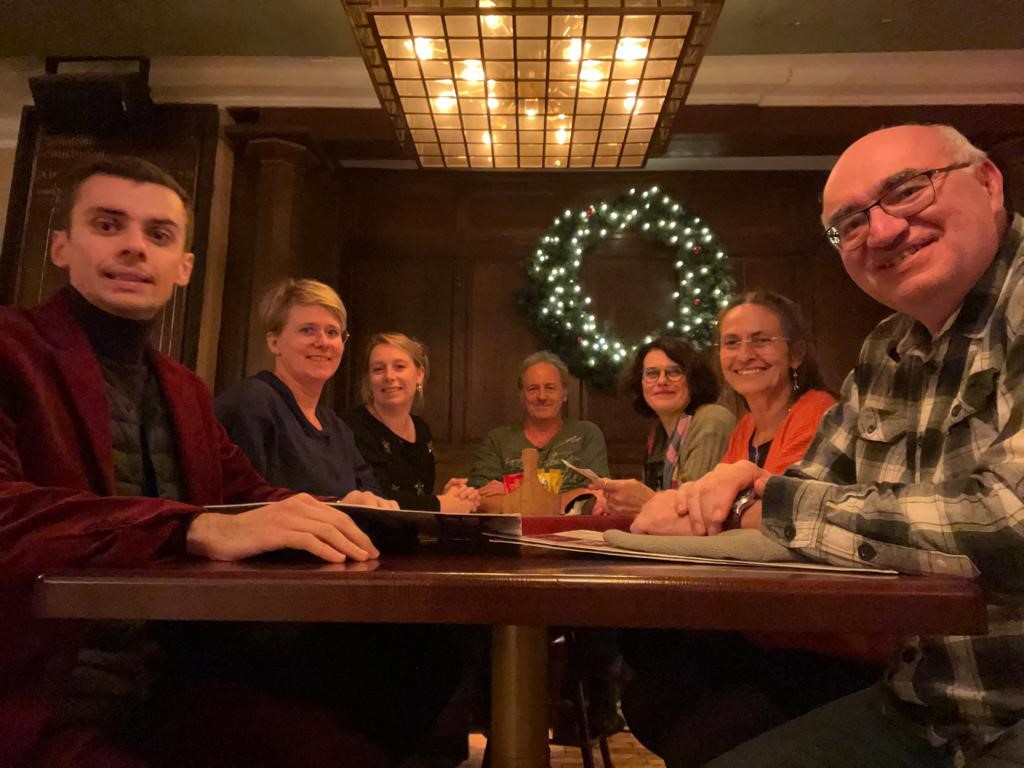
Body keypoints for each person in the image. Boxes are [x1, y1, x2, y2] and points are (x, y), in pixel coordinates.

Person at [634, 124, 1024, 767]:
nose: (883, 230)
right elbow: (805, 490)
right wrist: (731, 499)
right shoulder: (886, 348)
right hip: (926, 703)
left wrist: (757, 502)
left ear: (987, 182)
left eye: (907, 190)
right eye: (850, 223)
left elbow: (1011, 522)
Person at [0, 156, 395, 768]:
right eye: (108, 225)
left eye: (158, 234)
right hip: (38, 689)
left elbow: (250, 496)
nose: (135, 246)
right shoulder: (10, 348)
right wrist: (189, 526)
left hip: (172, 686)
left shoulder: (182, 387)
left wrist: (342, 512)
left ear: (183, 267)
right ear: (60, 247)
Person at [620, 292, 885, 767]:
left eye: (761, 340)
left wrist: (701, 509)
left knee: (694, 733)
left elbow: (758, 521)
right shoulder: (744, 428)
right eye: (731, 342)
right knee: (646, 696)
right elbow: (703, 510)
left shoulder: (818, 413)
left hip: (823, 637)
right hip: (758, 626)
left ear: (796, 353)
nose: (744, 354)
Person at [214, 281, 467, 765]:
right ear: (274, 340)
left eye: (333, 332)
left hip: (340, 595)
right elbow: (235, 511)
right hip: (275, 606)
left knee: (452, 632)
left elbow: (375, 503)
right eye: (307, 330)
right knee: (428, 649)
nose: (323, 342)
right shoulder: (251, 404)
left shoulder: (335, 427)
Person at [597, 336, 734, 515]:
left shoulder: (711, 420)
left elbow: (692, 509)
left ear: (693, 379)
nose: (662, 381)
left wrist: (641, 500)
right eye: (652, 373)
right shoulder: (659, 434)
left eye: (674, 372)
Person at [345, 332, 479, 512]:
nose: (389, 376)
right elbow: (375, 498)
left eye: (399, 367)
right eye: (378, 369)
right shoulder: (351, 426)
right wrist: (440, 503)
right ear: (369, 379)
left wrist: (449, 495)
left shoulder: (421, 430)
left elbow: (416, 499)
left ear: (419, 374)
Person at [468, 350, 609, 510]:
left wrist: (511, 492)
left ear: (564, 394)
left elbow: (596, 496)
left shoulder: (587, 434)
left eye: (550, 388)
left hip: (572, 525)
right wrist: (567, 497)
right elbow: (479, 499)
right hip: (514, 526)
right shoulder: (497, 440)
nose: (542, 396)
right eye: (533, 389)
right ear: (522, 396)